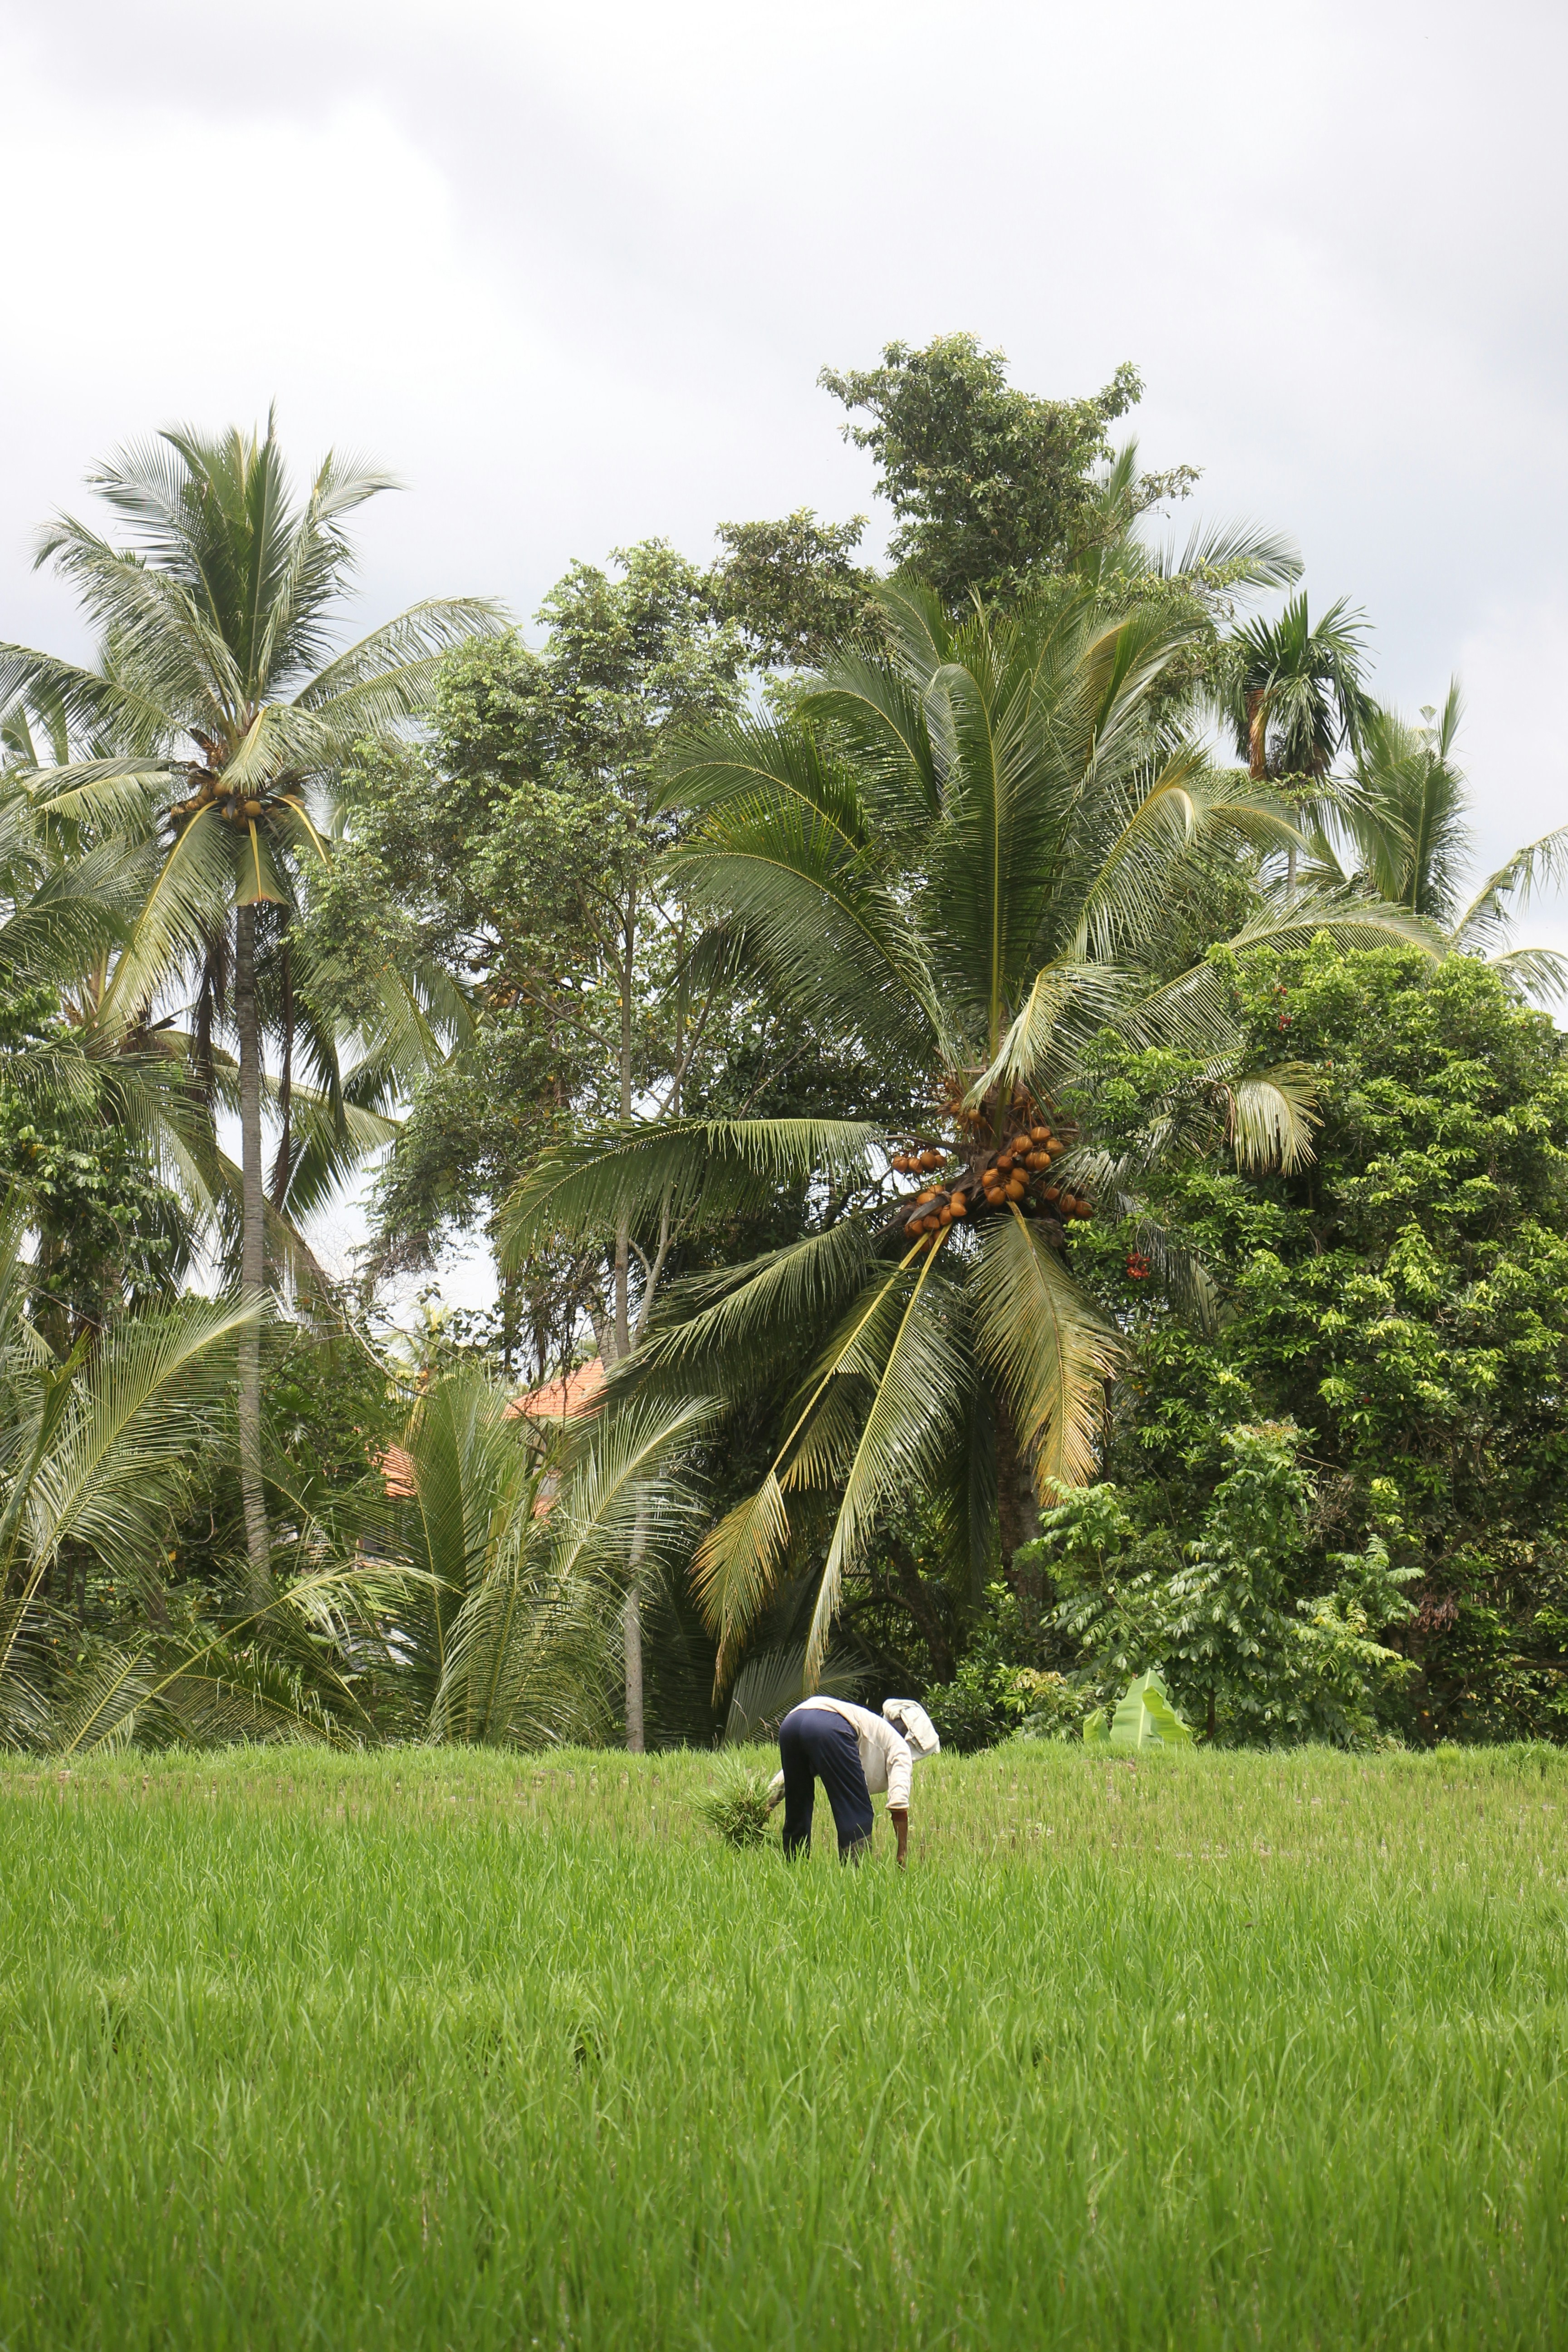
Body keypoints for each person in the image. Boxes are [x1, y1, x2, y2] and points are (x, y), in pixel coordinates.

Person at [767, 1697, 940, 1865]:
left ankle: (795, 1869)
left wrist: (761, 1806)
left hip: (792, 1723)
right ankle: (856, 1877)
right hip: (829, 1726)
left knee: (798, 1806)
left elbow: (788, 1779)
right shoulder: (899, 1746)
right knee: (857, 1812)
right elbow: (899, 1802)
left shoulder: (872, 1727)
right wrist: (902, 1851)